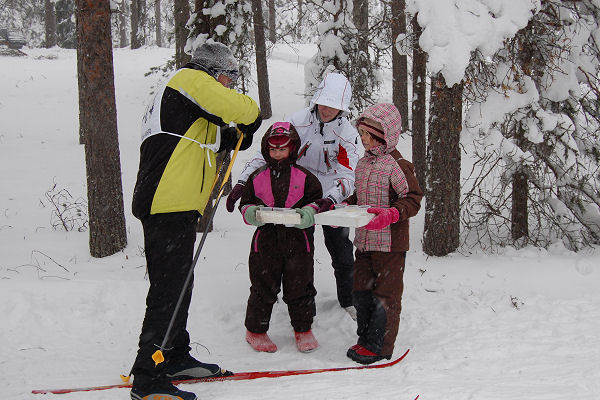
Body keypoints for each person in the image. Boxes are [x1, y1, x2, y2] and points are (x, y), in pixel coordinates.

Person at [130, 42, 262, 400]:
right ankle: (147, 376)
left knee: (179, 284)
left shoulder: (185, 101)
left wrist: (235, 136)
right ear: (213, 72)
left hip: (174, 203)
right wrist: (249, 115)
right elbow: (244, 109)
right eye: (229, 78)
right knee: (168, 290)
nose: (230, 85)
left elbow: (213, 136)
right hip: (166, 202)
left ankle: (172, 356)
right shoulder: (188, 78)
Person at [227, 72, 361, 319]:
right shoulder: (297, 122)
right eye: (324, 102)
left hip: (331, 198)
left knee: (341, 250)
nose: (327, 109)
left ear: (342, 107)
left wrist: (330, 199)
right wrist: (243, 181)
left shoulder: (347, 134)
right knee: (297, 252)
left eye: (334, 105)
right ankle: (292, 299)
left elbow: (347, 174)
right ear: (317, 99)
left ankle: (348, 300)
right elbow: (265, 154)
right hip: (298, 193)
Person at [343, 103, 423, 365]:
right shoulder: (363, 164)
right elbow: (361, 197)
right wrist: (346, 206)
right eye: (361, 133)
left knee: (385, 298)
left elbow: (412, 198)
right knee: (361, 293)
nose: (362, 138)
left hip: (390, 245)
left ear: (382, 134)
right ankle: (365, 340)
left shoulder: (396, 164)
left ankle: (380, 346)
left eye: (366, 134)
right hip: (365, 242)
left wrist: (391, 214)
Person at [238, 122, 323, 353]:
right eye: (273, 149)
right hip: (266, 241)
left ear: (292, 148)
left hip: (298, 240)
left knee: (300, 285)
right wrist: (251, 213)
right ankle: (255, 331)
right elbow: (245, 203)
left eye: (282, 149)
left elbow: (317, 201)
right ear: (266, 150)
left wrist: (310, 212)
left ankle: (303, 329)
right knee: (263, 286)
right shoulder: (257, 176)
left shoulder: (305, 177)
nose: (277, 154)